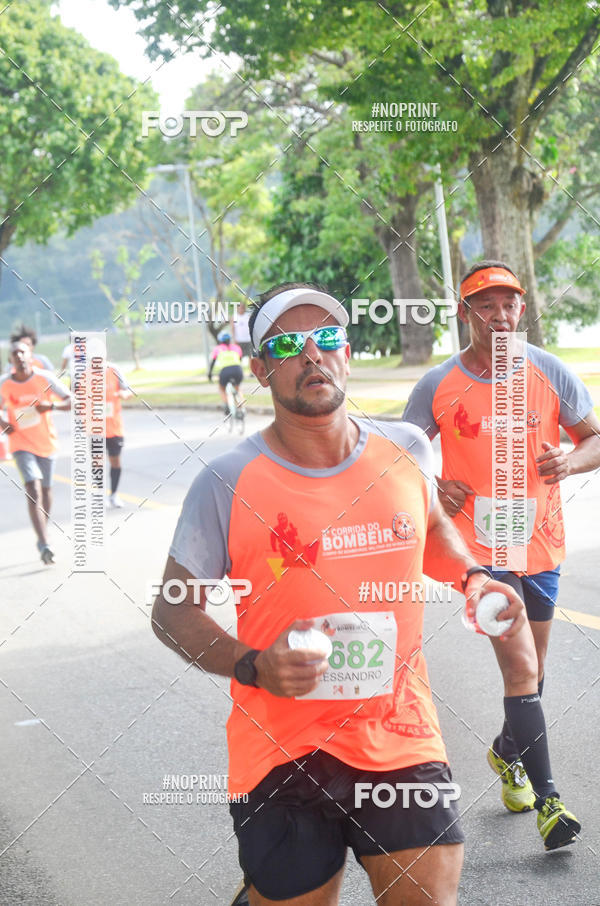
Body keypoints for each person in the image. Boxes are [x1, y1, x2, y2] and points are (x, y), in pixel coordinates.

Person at [151, 282, 527, 905]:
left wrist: (472, 577)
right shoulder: (226, 481)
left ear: (346, 352)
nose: (312, 355)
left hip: (398, 733)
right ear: (260, 368)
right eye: (288, 345)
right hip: (281, 753)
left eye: (326, 339)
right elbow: (171, 612)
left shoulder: (405, 449)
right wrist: (254, 665)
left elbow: (432, 530)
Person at [402, 260, 600, 849]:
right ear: (465, 314)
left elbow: (594, 438)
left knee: (533, 674)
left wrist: (571, 460)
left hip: (540, 545)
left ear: (521, 309)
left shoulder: (548, 371)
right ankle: (550, 803)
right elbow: (402, 458)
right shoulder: (436, 384)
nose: (501, 315)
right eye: (486, 305)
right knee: (520, 669)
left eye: (509, 303)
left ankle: (506, 752)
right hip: (479, 556)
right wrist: (434, 486)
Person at [0, 340, 71, 563]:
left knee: (46, 491)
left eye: (23, 352)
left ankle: (42, 535)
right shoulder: (5, 383)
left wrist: (50, 406)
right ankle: (45, 543)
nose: (19, 356)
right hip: (20, 444)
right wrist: (3, 423)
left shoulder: (44, 379)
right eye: (14, 354)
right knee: (33, 488)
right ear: (10, 360)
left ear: (30, 355)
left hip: (46, 443)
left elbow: (72, 400)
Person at [208, 330, 245, 415]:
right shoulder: (236, 347)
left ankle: (226, 406)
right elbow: (240, 359)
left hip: (225, 371)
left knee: (222, 388)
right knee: (237, 388)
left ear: (220, 341)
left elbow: (213, 362)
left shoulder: (217, 349)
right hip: (237, 369)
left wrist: (209, 374)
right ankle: (242, 408)